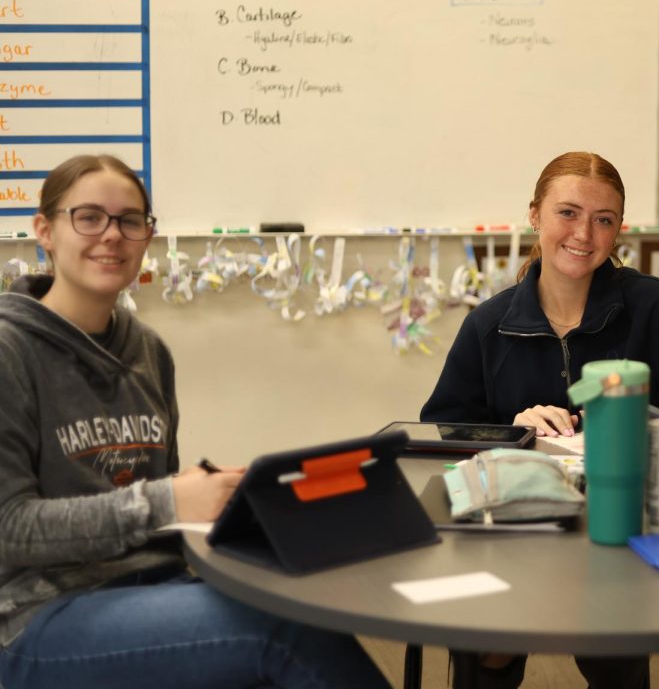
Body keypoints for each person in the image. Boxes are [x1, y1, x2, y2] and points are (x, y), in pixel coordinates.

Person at [0, 155, 391, 689]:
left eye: (130, 220)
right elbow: (10, 528)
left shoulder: (147, 351)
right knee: (284, 629)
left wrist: (236, 505)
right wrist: (171, 500)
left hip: (153, 587)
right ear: (44, 230)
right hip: (37, 616)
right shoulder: (10, 351)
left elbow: (159, 505)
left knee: (305, 602)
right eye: (88, 217)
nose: (111, 236)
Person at [422, 151, 659, 689]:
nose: (585, 233)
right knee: (488, 646)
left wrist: (650, 430)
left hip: (624, 529)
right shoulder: (489, 326)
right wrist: (514, 430)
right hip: (519, 531)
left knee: (612, 649)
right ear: (535, 215)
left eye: (604, 220)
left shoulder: (649, 305)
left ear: (619, 230)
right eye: (568, 213)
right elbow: (440, 433)